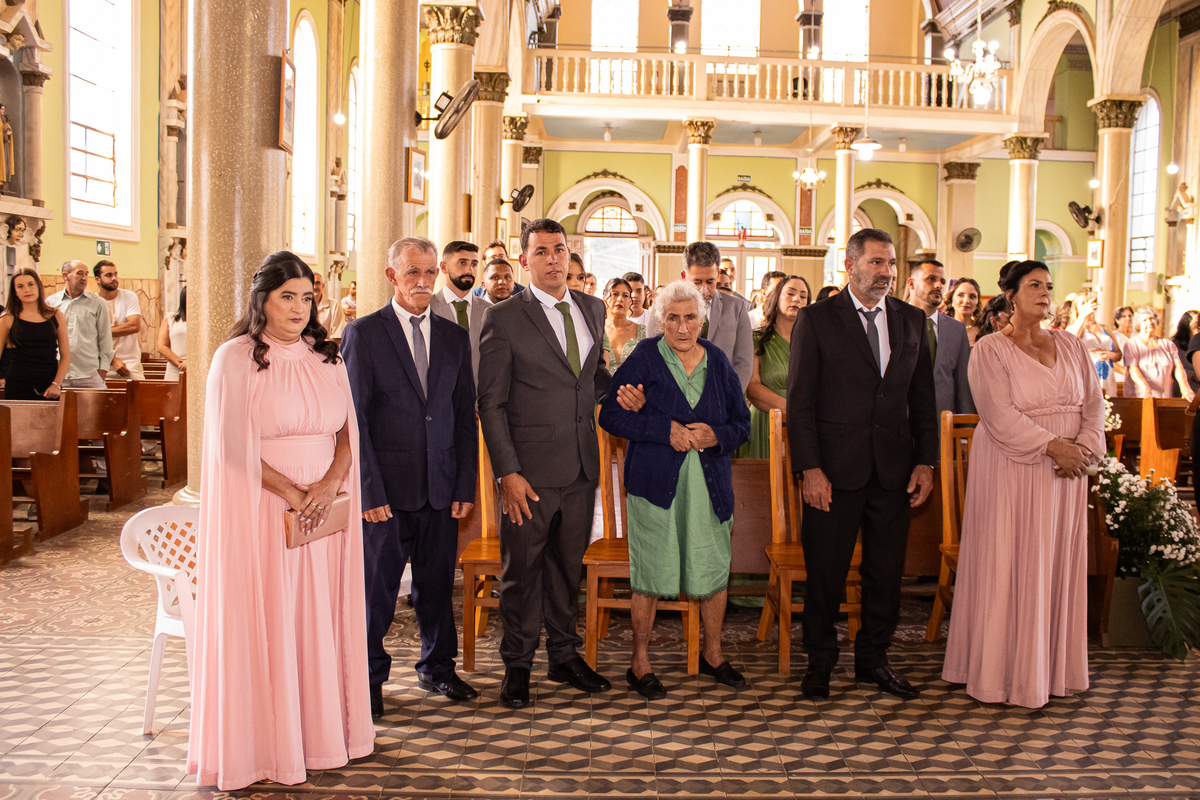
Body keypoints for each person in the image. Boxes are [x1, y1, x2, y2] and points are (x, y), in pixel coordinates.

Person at [188, 251, 372, 790]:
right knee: (274, 614)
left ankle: (321, 735)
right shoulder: (235, 357)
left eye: (307, 297)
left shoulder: (328, 355)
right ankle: (267, 746)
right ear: (262, 300)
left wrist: (327, 486)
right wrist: (294, 492)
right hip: (266, 506)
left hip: (325, 508)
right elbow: (228, 446)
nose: (298, 307)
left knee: (321, 613)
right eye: (286, 296)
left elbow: (346, 434)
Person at [942, 260, 1104, 708]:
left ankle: (1053, 668)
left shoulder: (1071, 345)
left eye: (1049, 286)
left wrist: (1085, 449)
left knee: (1054, 563)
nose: (1045, 293)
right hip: (1015, 468)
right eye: (1034, 285)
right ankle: (1002, 673)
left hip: (1067, 475)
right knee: (1013, 561)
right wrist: (1056, 447)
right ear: (1011, 294)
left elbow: (1094, 404)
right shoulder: (991, 350)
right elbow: (999, 415)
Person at [786, 228, 937, 701]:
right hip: (833, 471)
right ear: (848, 265)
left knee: (885, 572)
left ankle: (874, 660)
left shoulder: (913, 321)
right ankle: (820, 663)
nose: (886, 273)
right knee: (826, 572)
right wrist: (810, 469)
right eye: (876, 263)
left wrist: (926, 462)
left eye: (890, 264)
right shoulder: (817, 319)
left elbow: (924, 401)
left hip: (893, 471)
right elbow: (801, 403)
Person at [477, 218, 613, 710]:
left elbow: (593, 380)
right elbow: (490, 403)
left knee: (565, 569)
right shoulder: (505, 316)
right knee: (523, 571)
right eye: (542, 252)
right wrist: (507, 473)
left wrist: (627, 396)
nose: (553, 259)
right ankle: (517, 665)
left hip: (581, 465)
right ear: (524, 258)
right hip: (527, 472)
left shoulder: (593, 309)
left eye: (560, 250)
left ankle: (563, 656)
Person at [342, 237, 479, 716]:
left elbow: (465, 417)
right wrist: (368, 490)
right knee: (376, 591)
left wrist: (465, 485)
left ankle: (438, 669)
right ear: (391, 276)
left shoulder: (453, 336)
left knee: (437, 586)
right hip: (386, 493)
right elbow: (354, 420)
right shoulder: (363, 334)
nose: (422, 282)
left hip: (441, 487)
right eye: (411, 273)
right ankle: (368, 680)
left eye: (428, 273)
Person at [598, 280, 751, 698]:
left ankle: (714, 654)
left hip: (709, 487)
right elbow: (610, 415)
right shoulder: (644, 357)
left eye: (689, 318)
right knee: (650, 572)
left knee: (712, 568)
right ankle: (639, 661)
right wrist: (662, 429)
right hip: (655, 486)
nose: (682, 328)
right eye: (672, 318)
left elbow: (742, 424)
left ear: (702, 319)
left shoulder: (718, 361)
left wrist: (714, 435)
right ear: (658, 320)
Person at [647, 241, 754, 391]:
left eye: (710, 281)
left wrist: (730, 397)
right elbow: (654, 355)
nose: (704, 289)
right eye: (697, 282)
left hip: (722, 396)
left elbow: (744, 362)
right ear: (684, 276)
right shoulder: (663, 306)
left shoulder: (736, 308)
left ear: (718, 274)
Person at [744, 276, 809, 458]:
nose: (797, 299)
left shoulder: (813, 343)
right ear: (776, 298)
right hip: (767, 421)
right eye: (790, 294)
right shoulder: (754, 338)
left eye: (803, 296)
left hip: (804, 427)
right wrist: (793, 411)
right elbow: (752, 388)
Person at [905, 260, 974, 415]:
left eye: (942, 281)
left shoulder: (956, 329)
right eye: (931, 279)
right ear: (911, 283)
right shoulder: (893, 322)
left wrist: (965, 432)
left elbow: (963, 385)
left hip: (942, 425)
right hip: (900, 425)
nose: (938, 285)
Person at [0, 268, 70, 400]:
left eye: (31, 284)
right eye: (20, 286)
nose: (27, 290)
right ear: (15, 292)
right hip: (17, 383)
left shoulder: (56, 315)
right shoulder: (8, 318)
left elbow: (65, 355)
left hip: (49, 383)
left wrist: (56, 384)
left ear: (39, 286)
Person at [46, 260, 113, 389]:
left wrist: (102, 372)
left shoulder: (98, 303)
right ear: (65, 275)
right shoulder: (51, 303)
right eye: (79, 274)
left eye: (86, 274)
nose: (84, 278)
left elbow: (105, 340)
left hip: (89, 374)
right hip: (58, 375)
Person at [429, 240, 486, 380]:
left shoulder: (490, 311)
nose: (469, 270)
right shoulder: (427, 308)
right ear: (444, 267)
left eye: (474, 264)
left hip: (481, 399)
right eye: (462, 263)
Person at [1122, 307, 1194, 400]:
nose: (1149, 322)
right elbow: (1132, 368)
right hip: (1141, 395)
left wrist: (1184, 386)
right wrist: (1144, 385)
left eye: (1152, 318)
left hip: (1164, 396)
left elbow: (1178, 367)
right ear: (1138, 324)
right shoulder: (1132, 344)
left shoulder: (1168, 344)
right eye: (1145, 320)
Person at [94, 260, 144, 380]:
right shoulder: (92, 302)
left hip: (130, 361)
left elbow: (134, 326)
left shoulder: (129, 296)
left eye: (115, 274)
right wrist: (114, 361)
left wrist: (101, 332)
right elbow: (91, 339)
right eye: (108, 275)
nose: (114, 278)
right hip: (100, 362)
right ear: (97, 279)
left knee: (140, 396)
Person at [1066, 292, 1123, 396]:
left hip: (1107, 377)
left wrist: (1110, 355)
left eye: (1089, 301)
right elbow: (1069, 341)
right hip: (1086, 376)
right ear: (1076, 308)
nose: (1087, 305)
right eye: (1083, 303)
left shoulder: (1105, 328)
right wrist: (1083, 315)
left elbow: (1118, 353)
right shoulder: (1074, 328)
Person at [602, 277, 646, 369]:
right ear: (605, 299)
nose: (620, 299)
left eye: (625, 296)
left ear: (630, 301)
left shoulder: (643, 331)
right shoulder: (597, 330)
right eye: (615, 294)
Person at [157, 286, 188, 380]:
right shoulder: (170, 318)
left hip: (198, 367)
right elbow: (161, 346)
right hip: (174, 369)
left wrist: (191, 362)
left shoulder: (205, 322)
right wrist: (180, 363)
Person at [942, 277, 982, 345]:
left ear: (977, 302)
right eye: (961, 295)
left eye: (972, 296)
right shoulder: (941, 329)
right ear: (951, 300)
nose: (966, 301)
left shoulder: (983, 331)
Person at [1170, 310, 1200, 394]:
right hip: (1185, 388)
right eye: (1195, 321)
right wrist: (1192, 374)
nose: (1196, 324)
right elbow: (1176, 365)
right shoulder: (1176, 343)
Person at [312, 271, 344, 337]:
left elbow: (338, 336)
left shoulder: (335, 306)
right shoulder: (301, 306)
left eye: (317, 283)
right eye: (312, 283)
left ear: (322, 286)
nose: (315, 287)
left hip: (327, 346)